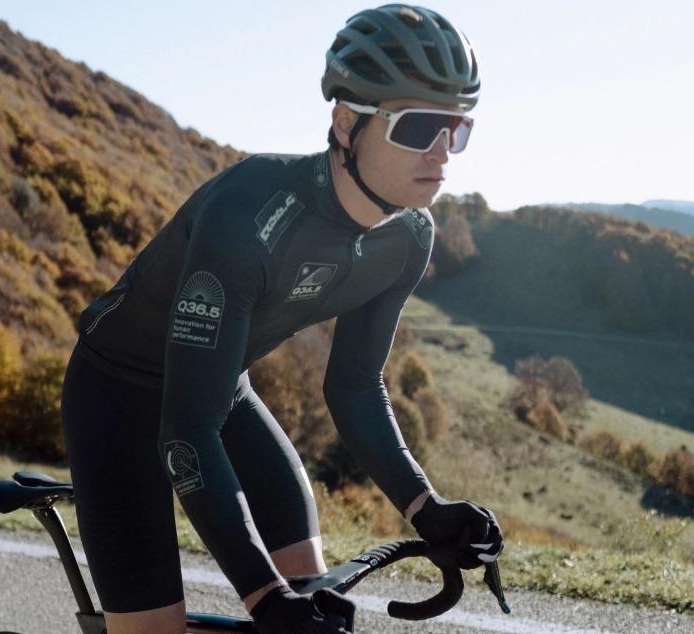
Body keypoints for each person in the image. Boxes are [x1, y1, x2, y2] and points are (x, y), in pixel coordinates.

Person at [60, 4, 503, 632]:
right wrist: (265, 599)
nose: (442, 152)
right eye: (419, 127)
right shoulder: (248, 213)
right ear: (346, 122)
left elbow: (354, 386)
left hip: (222, 395)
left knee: (314, 596)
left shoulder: (408, 237)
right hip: (118, 398)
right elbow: (186, 428)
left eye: (456, 129)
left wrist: (426, 508)